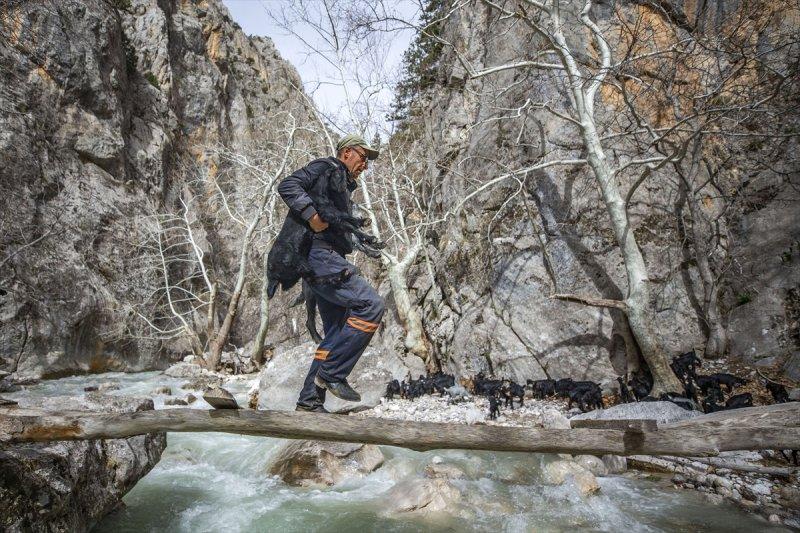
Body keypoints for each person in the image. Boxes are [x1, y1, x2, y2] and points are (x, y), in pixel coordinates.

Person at [277, 134, 384, 413]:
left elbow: (336, 225)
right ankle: (332, 374)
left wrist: (360, 241)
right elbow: (288, 184)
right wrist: (311, 215)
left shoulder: (341, 184)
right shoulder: (328, 167)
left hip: (321, 259)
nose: (365, 165)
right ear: (347, 152)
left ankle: (310, 402)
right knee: (371, 306)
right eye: (363, 157)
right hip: (320, 257)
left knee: (336, 330)